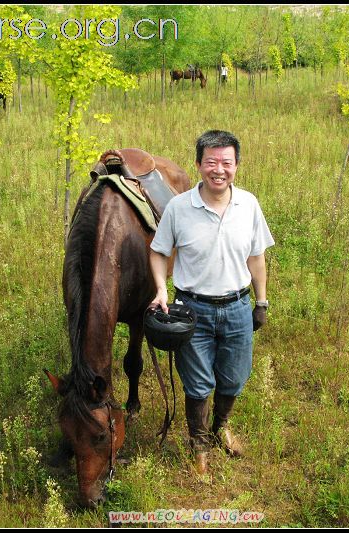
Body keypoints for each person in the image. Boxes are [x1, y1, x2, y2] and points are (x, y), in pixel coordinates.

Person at [149, 130, 275, 475]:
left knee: (234, 378)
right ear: (198, 164)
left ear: (237, 165)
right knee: (197, 382)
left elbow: (257, 258)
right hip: (193, 310)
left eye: (226, 163)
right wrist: (162, 288)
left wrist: (261, 302)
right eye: (211, 162)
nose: (218, 170)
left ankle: (221, 426)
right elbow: (159, 252)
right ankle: (200, 445)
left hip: (237, 307)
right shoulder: (179, 207)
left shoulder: (248, 204)